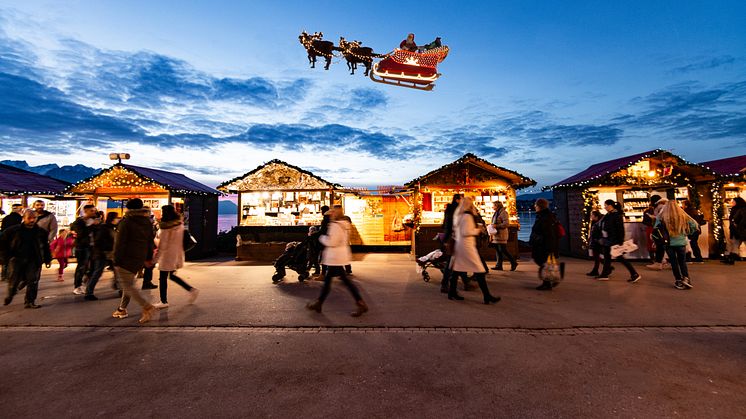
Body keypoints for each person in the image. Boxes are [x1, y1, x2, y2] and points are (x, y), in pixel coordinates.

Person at [306, 206, 368, 317]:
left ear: (335, 213)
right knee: (331, 281)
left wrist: (321, 238)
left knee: (341, 282)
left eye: (333, 212)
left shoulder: (335, 225)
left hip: (335, 257)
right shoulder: (344, 224)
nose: (331, 214)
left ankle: (360, 303)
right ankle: (319, 303)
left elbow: (332, 242)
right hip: (339, 256)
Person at [111, 199, 157, 323]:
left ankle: (147, 306)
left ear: (128, 208)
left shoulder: (126, 222)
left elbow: (120, 243)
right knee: (128, 284)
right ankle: (122, 309)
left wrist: (116, 259)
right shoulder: (146, 221)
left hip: (126, 258)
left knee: (128, 285)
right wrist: (147, 258)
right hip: (139, 258)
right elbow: (149, 241)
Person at [449, 197, 500, 304]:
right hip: (467, 247)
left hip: (460, 246)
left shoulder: (458, 215)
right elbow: (466, 232)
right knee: (479, 270)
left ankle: (452, 292)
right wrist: (478, 230)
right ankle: (487, 296)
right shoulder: (467, 216)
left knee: (457, 269)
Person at [1, 210, 52, 308]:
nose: (32, 220)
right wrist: (4, 256)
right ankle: (11, 293)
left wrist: (47, 259)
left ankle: (30, 301)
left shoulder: (41, 232)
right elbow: (2, 242)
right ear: (24, 218)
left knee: (33, 280)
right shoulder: (13, 230)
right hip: (16, 259)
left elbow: (45, 246)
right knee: (14, 280)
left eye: (34, 218)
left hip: (34, 260)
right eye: (29, 218)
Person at [153, 205, 199, 309]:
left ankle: (163, 301)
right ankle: (191, 290)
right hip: (177, 254)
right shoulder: (179, 225)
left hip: (167, 256)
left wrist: (155, 259)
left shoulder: (165, 228)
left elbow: (162, 246)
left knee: (163, 278)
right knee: (172, 275)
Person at [655, 201, 699, 290]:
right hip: (681, 242)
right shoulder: (683, 215)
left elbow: (655, 229)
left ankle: (678, 280)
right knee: (682, 262)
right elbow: (695, 225)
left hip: (669, 243)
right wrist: (687, 233)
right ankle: (686, 278)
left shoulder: (661, 216)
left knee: (674, 262)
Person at [597, 200, 642, 283]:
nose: (605, 207)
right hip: (608, 239)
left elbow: (620, 229)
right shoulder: (609, 214)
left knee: (619, 257)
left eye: (606, 205)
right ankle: (605, 274)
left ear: (610, 206)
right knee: (607, 256)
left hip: (613, 240)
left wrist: (620, 240)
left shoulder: (616, 215)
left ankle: (634, 274)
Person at [440, 194, 472, 294]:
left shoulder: (451, 209)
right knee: (452, 262)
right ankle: (446, 285)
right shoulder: (457, 210)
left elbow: (446, 224)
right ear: (458, 200)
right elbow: (450, 225)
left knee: (457, 262)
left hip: (453, 238)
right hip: (455, 239)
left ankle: (460, 283)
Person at [529, 198, 562, 290]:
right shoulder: (546, 216)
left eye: (535, 205)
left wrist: (549, 247)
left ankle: (548, 282)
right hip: (544, 244)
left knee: (543, 262)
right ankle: (549, 281)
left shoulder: (545, 217)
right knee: (543, 262)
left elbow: (548, 233)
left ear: (539, 206)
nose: (534, 207)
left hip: (544, 245)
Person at [84, 213, 115, 301]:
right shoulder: (101, 228)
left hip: (100, 253)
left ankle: (118, 286)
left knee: (98, 272)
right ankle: (89, 292)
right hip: (101, 253)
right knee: (97, 272)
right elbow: (99, 242)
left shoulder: (100, 228)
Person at [70, 204, 97, 295]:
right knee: (82, 267)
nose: (94, 212)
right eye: (91, 211)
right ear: (85, 211)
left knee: (94, 267)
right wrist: (91, 226)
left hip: (94, 247)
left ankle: (85, 283)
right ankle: (77, 286)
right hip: (82, 247)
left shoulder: (95, 221)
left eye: (94, 210)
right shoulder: (79, 222)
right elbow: (81, 234)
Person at [489, 201, 517, 271]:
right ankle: (499, 265)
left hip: (501, 234)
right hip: (496, 234)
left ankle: (513, 262)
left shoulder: (503, 213)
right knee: (498, 250)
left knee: (503, 249)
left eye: (493, 205)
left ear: (497, 206)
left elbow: (506, 224)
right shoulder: (496, 213)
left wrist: (496, 226)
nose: (492, 207)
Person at [1, 204, 23, 282]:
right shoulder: (20, 218)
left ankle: (4, 275)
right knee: (14, 258)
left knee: (6, 258)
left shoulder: (6, 218)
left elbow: (3, 229)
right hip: (15, 241)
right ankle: (11, 275)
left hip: (5, 241)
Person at [646, 196, 669, 270]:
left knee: (660, 245)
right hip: (662, 228)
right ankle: (663, 262)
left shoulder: (660, 207)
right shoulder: (663, 206)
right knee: (662, 245)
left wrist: (653, 217)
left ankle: (659, 263)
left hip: (660, 228)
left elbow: (660, 217)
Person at [722, 197, 746, 265]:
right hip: (735, 230)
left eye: (734, 202)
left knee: (736, 244)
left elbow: (743, 219)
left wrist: (738, 225)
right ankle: (731, 258)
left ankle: (731, 258)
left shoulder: (743, 209)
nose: (732, 203)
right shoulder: (734, 209)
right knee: (735, 244)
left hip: (741, 230)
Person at [586, 210, 604, 277]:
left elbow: (599, 232)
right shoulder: (594, 222)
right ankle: (607, 267)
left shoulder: (600, 222)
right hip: (595, 241)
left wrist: (598, 239)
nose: (591, 216)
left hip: (598, 241)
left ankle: (596, 271)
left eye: (592, 215)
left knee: (596, 256)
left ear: (596, 216)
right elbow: (592, 232)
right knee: (596, 256)